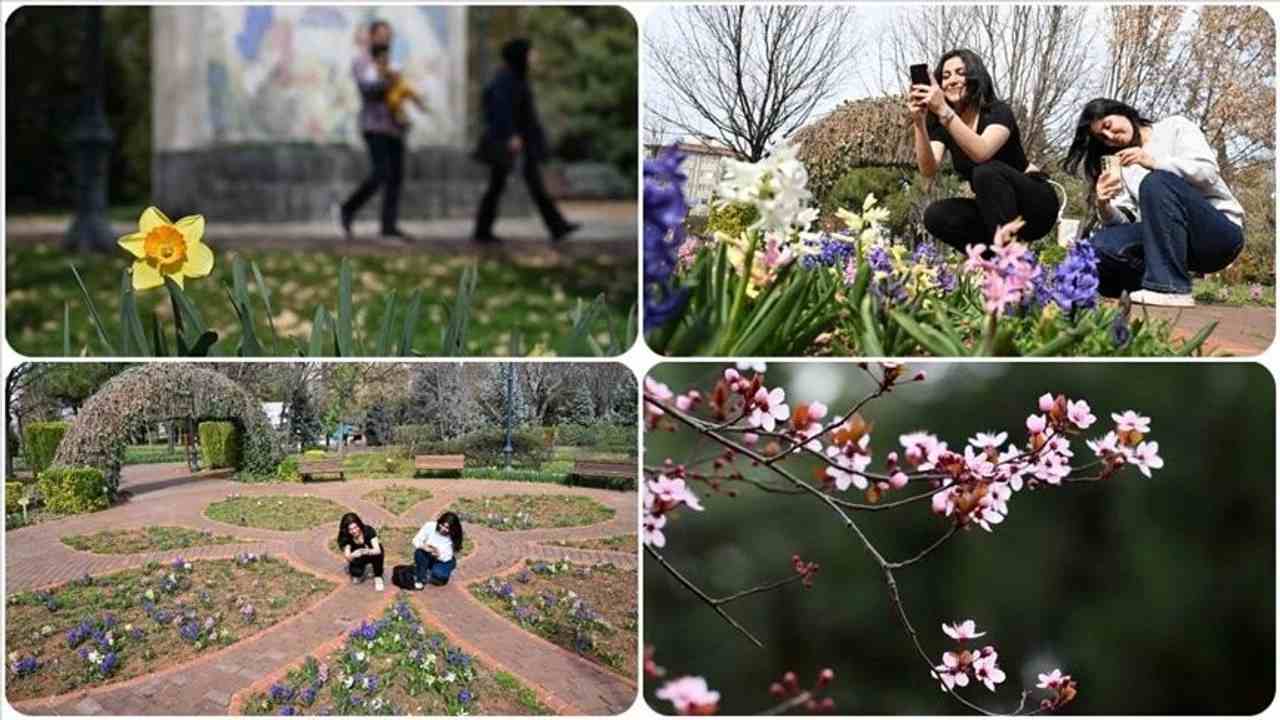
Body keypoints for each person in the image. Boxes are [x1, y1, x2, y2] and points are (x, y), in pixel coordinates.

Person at [1062, 98, 1244, 307]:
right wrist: (1104, 205)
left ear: (1121, 111)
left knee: (1156, 181)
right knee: (1099, 246)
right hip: (1166, 244)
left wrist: (1152, 162)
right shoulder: (1124, 166)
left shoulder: (1174, 126)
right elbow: (1126, 221)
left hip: (1216, 236)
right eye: (1103, 138)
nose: (1111, 137)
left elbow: (1207, 172)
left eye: (1108, 126)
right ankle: (1146, 285)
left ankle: (1171, 288)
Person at [909, 49, 1061, 253]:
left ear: (975, 76)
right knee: (936, 215)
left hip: (1034, 205)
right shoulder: (943, 124)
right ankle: (993, 266)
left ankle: (1011, 266)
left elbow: (982, 152)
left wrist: (944, 111)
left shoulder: (997, 111)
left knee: (985, 171)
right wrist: (919, 122)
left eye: (960, 73)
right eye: (945, 77)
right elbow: (928, 169)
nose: (952, 81)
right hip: (994, 213)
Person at [471, 38, 579, 244]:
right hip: (509, 143)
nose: (534, 56)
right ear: (520, 55)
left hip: (520, 142)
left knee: (524, 185)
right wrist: (511, 135)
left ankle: (557, 226)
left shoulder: (516, 77)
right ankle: (482, 231)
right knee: (499, 186)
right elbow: (499, 109)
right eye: (531, 52)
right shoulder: (505, 79)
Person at [338, 20, 413, 243]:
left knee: (396, 177)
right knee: (380, 173)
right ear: (371, 37)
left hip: (394, 127)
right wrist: (388, 79)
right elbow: (367, 89)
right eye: (381, 35)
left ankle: (388, 226)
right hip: (374, 126)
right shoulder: (362, 62)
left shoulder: (393, 62)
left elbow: (399, 92)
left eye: (389, 36)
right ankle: (348, 208)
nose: (385, 40)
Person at [412, 511, 463, 588]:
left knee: (439, 576)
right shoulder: (430, 526)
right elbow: (416, 540)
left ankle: (430, 573)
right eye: (442, 525)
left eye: (447, 528)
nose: (443, 529)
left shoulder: (453, 537)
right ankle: (421, 577)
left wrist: (438, 554)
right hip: (427, 553)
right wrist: (424, 546)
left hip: (443, 560)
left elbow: (447, 556)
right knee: (419, 553)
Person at [337, 512, 384, 591]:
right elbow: (347, 556)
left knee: (378, 556)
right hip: (357, 557)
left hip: (371, 553)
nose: (354, 531)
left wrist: (364, 551)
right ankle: (357, 569)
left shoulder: (368, 530)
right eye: (350, 529)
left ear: (359, 524)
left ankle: (378, 576)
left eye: (355, 527)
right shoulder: (345, 537)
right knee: (356, 580)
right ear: (346, 530)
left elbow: (377, 550)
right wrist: (353, 555)